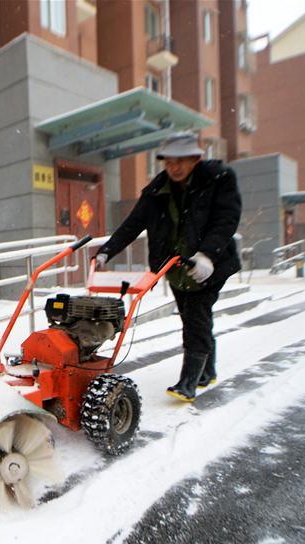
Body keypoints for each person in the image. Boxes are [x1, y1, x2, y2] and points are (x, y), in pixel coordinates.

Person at [94, 132, 241, 402]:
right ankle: (207, 371)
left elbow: (226, 219)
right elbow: (132, 224)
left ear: (196, 159)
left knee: (196, 317)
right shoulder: (156, 190)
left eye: (180, 161)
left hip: (209, 265)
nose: (174, 167)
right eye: (169, 162)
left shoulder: (218, 179)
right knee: (192, 317)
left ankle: (188, 382)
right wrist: (106, 251)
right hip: (173, 267)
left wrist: (207, 255)